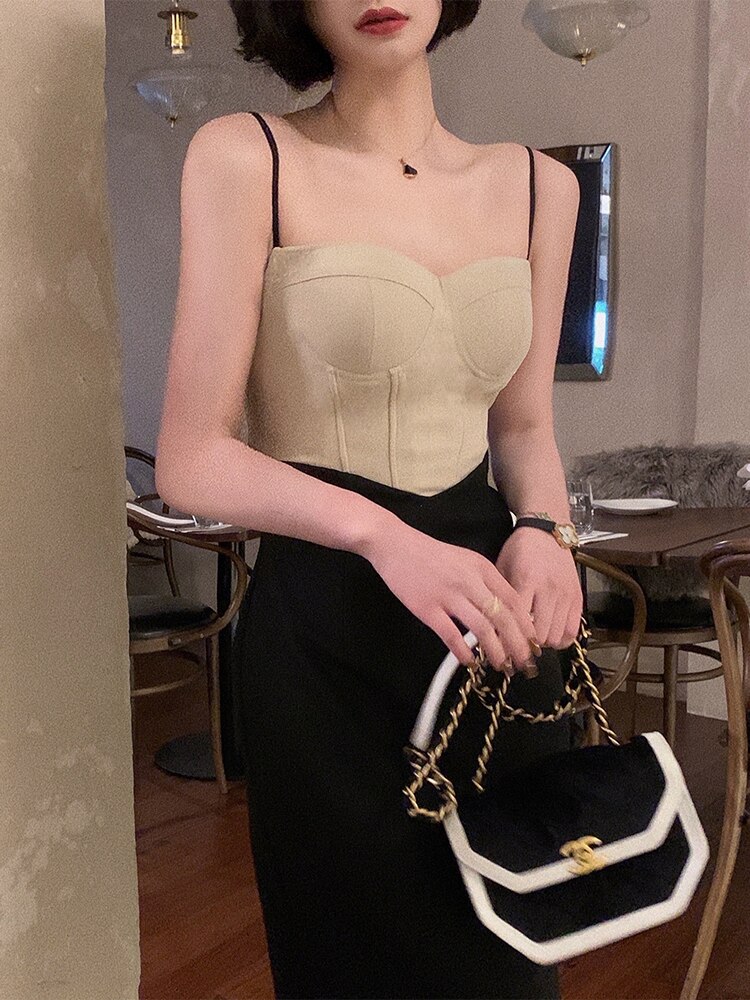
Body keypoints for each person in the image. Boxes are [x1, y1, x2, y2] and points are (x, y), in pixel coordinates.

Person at [155, 1, 583, 996]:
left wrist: (545, 532)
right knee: (349, 959)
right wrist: (385, 537)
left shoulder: (540, 187)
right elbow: (191, 457)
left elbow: (524, 429)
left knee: (511, 952)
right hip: (326, 631)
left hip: (490, 629)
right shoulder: (246, 157)